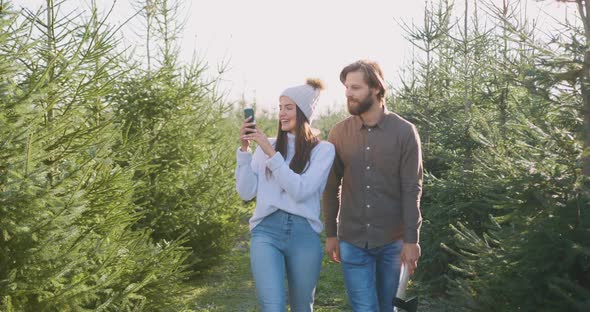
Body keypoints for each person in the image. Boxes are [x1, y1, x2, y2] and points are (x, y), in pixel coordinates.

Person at [322, 60, 423, 312]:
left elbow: (412, 189)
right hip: (352, 241)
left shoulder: (405, 133)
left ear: (376, 89)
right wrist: (331, 233)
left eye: (355, 88)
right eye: (346, 87)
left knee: (389, 308)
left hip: (393, 242)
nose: (348, 94)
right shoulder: (339, 133)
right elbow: (330, 186)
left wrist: (412, 240)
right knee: (365, 308)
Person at [235, 79, 335, 312]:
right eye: (280, 107)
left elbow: (300, 191)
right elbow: (246, 192)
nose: (282, 114)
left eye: (288, 108)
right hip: (266, 232)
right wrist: (245, 150)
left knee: (302, 306)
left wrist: (270, 153)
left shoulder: (323, 150)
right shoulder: (265, 146)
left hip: (304, 235)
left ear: (303, 113)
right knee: (273, 306)